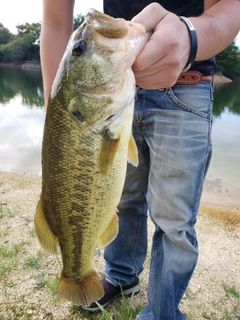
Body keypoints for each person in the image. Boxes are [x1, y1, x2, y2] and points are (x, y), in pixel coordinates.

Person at [40, 0, 240, 319]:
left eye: (79, 50)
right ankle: (121, 278)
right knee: (123, 201)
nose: (87, 38)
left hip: (187, 84)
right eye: (80, 48)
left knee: (174, 220)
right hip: (118, 94)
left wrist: (191, 34)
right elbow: (54, 22)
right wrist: (59, 123)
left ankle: (161, 312)